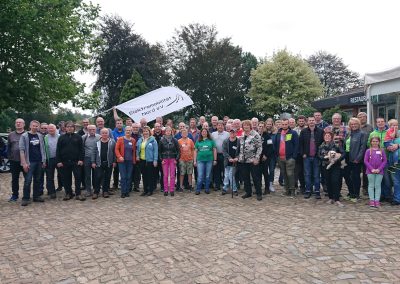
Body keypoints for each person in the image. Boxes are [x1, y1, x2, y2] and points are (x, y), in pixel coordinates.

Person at [56, 121, 86, 201]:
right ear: (65, 128)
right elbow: (58, 150)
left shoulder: (78, 137)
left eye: (71, 126)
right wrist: (58, 161)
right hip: (64, 162)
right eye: (68, 126)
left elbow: (81, 150)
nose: (70, 128)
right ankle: (68, 193)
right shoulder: (61, 137)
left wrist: (80, 159)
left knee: (78, 178)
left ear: (74, 128)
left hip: (76, 162)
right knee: (66, 178)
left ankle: (78, 193)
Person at [19, 120, 46, 206]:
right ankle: (26, 198)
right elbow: (22, 150)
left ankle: (36, 196)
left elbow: (42, 149)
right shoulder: (24, 136)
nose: (35, 127)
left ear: (38, 127)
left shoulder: (40, 136)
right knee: (28, 180)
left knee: (37, 180)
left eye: (36, 126)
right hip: (29, 162)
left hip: (39, 161)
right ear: (30, 126)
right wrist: (24, 163)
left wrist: (43, 160)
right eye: (33, 126)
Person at [237, 120, 263, 200]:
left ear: (250, 126)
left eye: (247, 125)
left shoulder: (255, 134)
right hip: (243, 160)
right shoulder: (242, 134)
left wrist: (257, 158)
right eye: (244, 125)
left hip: (252, 160)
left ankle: (259, 193)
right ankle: (248, 192)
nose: (246, 127)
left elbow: (259, 147)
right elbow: (240, 147)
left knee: (255, 177)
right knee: (245, 177)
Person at [273, 119, 299, 197]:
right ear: (281, 124)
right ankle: (286, 190)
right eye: (283, 124)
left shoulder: (293, 133)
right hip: (280, 158)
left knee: (290, 174)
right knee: (284, 174)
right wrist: (277, 155)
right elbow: (276, 144)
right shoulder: (278, 133)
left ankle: (292, 191)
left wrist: (294, 156)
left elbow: (296, 145)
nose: (284, 126)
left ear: (288, 124)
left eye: (286, 124)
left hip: (290, 158)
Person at [299, 116, 324, 199]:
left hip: (317, 157)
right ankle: (308, 190)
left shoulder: (320, 131)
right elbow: (301, 144)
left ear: (315, 121)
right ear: (307, 122)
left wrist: (320, 154)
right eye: (310, 120)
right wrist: (303, 153)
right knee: (307, 174)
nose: (311, 122)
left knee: (316, 175)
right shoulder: (303, 131)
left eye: (313, 120)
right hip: (307, 157)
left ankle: (317, 191)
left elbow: (322, 144)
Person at [343, 117, 367, 202]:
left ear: (358, 124)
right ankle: (351, 192)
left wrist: (358, 158)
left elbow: (363, 147)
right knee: (346, 175)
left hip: (356, 157)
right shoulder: (348, 133)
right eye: (352, 124)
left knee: (355, 176)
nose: (353, 125)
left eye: (355, 124)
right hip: (347, 157)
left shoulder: (362, 134)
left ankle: (356, 194)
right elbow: (344, 145)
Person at [318, 131, 344, 207]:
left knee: (335, 181)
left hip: (335, 166)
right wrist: (326, 159)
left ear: (331, 137)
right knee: (328, 182)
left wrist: (337, 159)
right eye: (326, 136)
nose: (327, 137)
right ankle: (330, 198)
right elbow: (319, 155)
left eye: (329, 136)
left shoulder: (336, 145)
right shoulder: (321, 146)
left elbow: (343, 153)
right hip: (325, 166)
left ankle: (337, 199)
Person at [368, 117, 391, 202]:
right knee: (378, 180)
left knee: (387, 179)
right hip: (375, 161)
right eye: (378, 122)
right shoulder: (373, 133)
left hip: (387, 158)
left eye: (382, 121)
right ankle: (380, 196)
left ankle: (387, 195)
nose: (380, 123)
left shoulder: (389, 132)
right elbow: (368, 144)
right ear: (376, 123)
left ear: (385, 123)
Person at [92, 128, 116, 199]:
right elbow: (94, 152)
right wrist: (93, 162)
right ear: (100, 134)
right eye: (103, 133)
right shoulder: (97, 142)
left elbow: (114, 152)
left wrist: (114, 161)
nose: (105, 134)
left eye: (106, 133)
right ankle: (96, 192)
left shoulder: (112, 142)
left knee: (107, 177)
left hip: (109, 163)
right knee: (98, 177)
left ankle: (105, 191)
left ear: (108, 134)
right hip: (99, 163)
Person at [364, 136, 387, 208]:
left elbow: (384, 161)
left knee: (377, 186)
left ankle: (377, 200)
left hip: (379, 171)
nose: (375, 143)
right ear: (371, 142)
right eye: (373, 141)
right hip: (370, 171)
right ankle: (371, 200)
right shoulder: (368, 151)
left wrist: (379, 169)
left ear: (379, 142)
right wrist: (371, 169)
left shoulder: (382, 150)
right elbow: (365, 161)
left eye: (376, 141)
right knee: (371, 185)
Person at [115, 126, 137, 198]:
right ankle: (123, 191)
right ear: (125, 131)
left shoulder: (133, 140)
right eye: (127, 130)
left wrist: (134, 160)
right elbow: (116, 149)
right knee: (123, 176)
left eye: (130, 130)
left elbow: (134, 151)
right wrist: (119, 156)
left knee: (129, 176)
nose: (128, 132)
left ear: (131, 132)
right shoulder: (120, 139)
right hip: (122, 161)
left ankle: (127, 191)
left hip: (130, 161)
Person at [7, 118, 26, 202]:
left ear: (24, 124)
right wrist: (9, 156)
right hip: (14, 160)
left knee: (27, 178)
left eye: (20, 122)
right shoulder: (11, 135)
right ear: (15, 124)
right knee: (14, 179)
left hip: (25, 161)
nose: (18, 124)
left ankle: (26, 194)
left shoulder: (27, 134)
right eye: (17, 122)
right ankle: (15, 195)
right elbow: (8, 147)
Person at [136, 126, 158, 196]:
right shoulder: (140, 140)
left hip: (150, 161)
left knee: (150, 176)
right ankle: (145, 190)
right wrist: (137, 156)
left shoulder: (153, 140)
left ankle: (150, 190)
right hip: (142, 160)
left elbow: (155, 151)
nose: (145, 132)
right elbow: (137, 149)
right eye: (144, 131)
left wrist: (155, 160)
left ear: (149, 132)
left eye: (146, 131)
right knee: (144, 176)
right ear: (142, 133)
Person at [194, 129, 217, 195]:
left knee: (208, 175)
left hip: (209, 160)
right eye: (202, 132)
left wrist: (215, 160)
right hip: (200, 160)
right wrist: (195, 160)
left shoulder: (211, 141)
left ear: (207, 133)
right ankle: (198, 189)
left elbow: (214, 150)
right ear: (201, 133)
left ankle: (207, 188)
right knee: (200, 176)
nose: (204, 133)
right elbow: (195, 151)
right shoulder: (198, 141)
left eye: (205, 132)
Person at [159, 127, 180, 196]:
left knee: (172, 175)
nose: (168, 132)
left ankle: (171, 190)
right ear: (165, 132)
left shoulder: (175, 140)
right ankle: (165, 190)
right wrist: (161, 159)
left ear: (171, 132)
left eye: (169, 131)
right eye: (167, 131)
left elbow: (178, 151)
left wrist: (176, 159)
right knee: (165, 175)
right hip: (165, 159)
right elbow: (159, 151)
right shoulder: (162, 140)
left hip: (172, 159)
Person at [211, 121, 229, 191]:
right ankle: (217, 185)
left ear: (223, 126)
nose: (220, 126)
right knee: (216, 171)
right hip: (216, 155)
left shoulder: (227, 134)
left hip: (224, 155)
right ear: (217, 126)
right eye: (219, 125)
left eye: (221, 125)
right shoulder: (213, 134)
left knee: (225, 171)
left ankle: (225, 185)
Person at [82, 125, 100, 197]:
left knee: (96, 175)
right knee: (87, 175)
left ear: (96, 129)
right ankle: (88, 190)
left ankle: (96, 189)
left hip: (96, 158)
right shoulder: (84, 137)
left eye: (93, 129)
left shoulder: (99, 137)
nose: (92, 131)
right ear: (87, 130)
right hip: (87, 158)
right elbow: (82, 148)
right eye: (90, 129)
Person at [43, 124, 59, 199]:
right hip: (49, 159)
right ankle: (52, 191)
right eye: (49, 129)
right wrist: (44, 160)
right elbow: (43, 150)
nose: (51, 130)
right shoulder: (45, 138)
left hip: (59, 159)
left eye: (52, 129)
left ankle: (66, 189)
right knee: (50, 176)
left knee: (63, 174)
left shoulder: (60, 136)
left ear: (55, 129)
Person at [222, 129, 239, 196]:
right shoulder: (226, 141)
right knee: (226, 176)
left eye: (234, 132)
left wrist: (237, 157)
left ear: (236, 133)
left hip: (235, 162)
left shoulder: (239, 141)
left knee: (231, 175)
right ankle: (225, 188)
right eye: (231, 132)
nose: (232, 134)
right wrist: (229, 158)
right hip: (227, 162)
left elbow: (240, 151)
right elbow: (224, 151)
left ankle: (234, 189)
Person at [259, 122, 274, 195]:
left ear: (264, 127)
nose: (261, 128)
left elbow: (271, 147)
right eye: (260, 126)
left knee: (265, 173)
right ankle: (258, 188)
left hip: (265, 158)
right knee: (258, 174)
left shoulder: (267, 136)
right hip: (258, 157)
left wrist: (266, 155)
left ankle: (267, 188)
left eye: (262, 126)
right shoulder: (256, 135)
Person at [293, 116, 306, 194]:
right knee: (298, 171)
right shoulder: (294, 130)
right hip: (297, 154)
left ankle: (304, 187)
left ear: (305, 121)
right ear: (297, 122)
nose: (301, 122)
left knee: (305, 172)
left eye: (302, 121)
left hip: (305, 153)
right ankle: (297, 187)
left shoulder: (307, 129)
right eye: (300, 121)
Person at [111, 118, 125, 189]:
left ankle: (123, 183)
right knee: (116, 170)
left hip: (124, 154)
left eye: (120, 123)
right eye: (118, 123)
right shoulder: (112, 133)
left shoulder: (125, 132)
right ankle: (115, 184)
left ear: (122, 124)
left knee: (123, 170)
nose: (119, 124)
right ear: (116, 125)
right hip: (115, 154)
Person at [265, 118, 277, 192]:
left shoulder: (275, 133)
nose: (268, 125)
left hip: (272, 155)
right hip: (265, 155)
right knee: (265, 171)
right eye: (267, 124)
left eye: (270, 124)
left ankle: (270, 184)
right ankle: (266, 184)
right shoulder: (264, 133)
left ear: (272, 124)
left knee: (272, 170)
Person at [153, 122, 165, 191]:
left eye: (158, 126)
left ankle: (163, 186)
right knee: (154, 172)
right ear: (154, 128)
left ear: (161, 127)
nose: (157, 128)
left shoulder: (164, 136)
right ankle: (154, 186)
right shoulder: (151, 137)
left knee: (163, 173)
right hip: (154, 157)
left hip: (162, 157)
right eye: (156, 126)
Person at [131, 123, 142, 192]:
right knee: (130, 172)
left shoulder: (141, 136)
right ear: (132, 128)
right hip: (130, 156)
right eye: (134, 127)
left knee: (137, 172)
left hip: (138, 157)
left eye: (136, 128)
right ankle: (130, 184)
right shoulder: (128, 135)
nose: (135, 129)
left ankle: (136, 186)